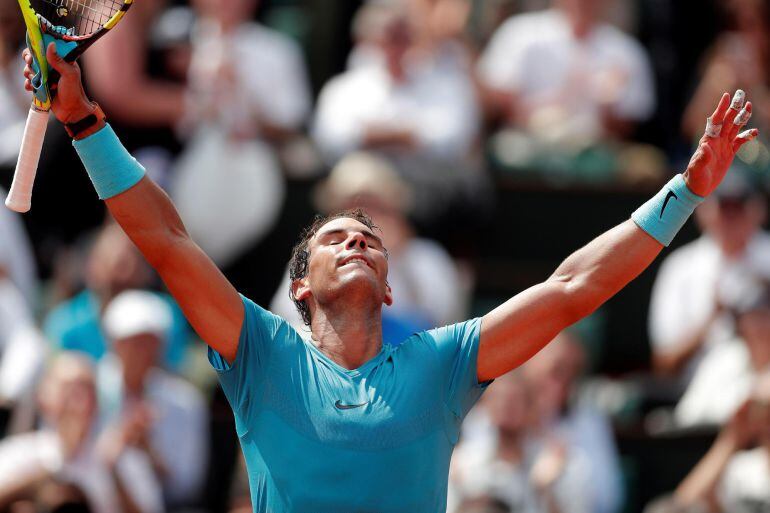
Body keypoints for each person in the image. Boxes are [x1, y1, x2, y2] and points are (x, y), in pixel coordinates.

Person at [22, 38, 758, 512]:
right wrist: (85, 120)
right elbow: (167, 238)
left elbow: (574, 288)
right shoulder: (261, 349)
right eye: (337, 237)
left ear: (393, 289)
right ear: (301, 286)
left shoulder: (441, 362)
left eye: (371, 240)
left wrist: (687, 192)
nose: (359, 242)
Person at [648, 168, 770, 387]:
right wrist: (712, 317)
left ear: (758, 210)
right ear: (704, 211)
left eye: (739, 207)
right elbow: (664, 363)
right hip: (702, 392)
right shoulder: (681, 268)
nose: (731, 217)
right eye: (724, 207)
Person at [0, 354, 164, 513]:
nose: (79, 398)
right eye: (68, 388)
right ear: (44, 396)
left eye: (87, 388)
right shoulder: (18, 453)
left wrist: (112, 470)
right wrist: (58, 463)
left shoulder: (124, 459)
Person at [98, 290, 208, 508]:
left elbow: (186, 486)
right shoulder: (85, 389)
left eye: (149, 342)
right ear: (114, 344)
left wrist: (149, 450)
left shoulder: (186, 402)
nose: (140, 351)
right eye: (131, 341)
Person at [44, 223, 191, 370]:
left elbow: (172, 372)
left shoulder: (167, 316)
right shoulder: (64, 323)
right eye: (114, 285)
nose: (126, 272)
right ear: (91, 269)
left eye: (135, 261)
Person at [671, 372, 770, 513]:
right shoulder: (741, 469)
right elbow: (682, 504)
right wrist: (731, 438)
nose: (766, 419)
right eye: (763, 408)